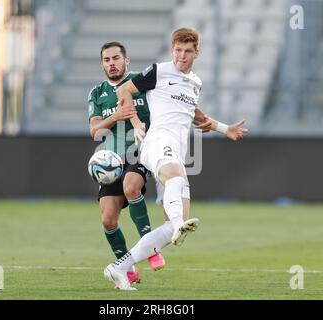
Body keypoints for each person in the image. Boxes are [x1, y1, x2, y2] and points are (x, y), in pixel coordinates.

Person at [103, 28, 248, 290]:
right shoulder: (159, 71)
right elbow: (123, 91)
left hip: (177, 150)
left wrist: (225, 129)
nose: (182, 55)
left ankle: (120, 268)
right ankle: (181, 224)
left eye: (188, 51)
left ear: (196, 53)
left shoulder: (195, 83)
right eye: (178, 50)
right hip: (158, 141)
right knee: (175, 182)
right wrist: (136, 123)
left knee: (172, 228)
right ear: (172, 50)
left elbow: (195, 114)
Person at [88, 42, 212, 285]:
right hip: (111, 160)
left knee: (132, 186)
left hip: (142, 151)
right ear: (102, 63)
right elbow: (94, 130)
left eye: (116, 58)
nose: (112, 63)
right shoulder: (97, 93)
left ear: (127, 60)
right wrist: (116, 116)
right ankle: (127, 266)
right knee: (108, 220)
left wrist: (207, 120)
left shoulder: (141, 81)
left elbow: (181, 101)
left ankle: (151, 246)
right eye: (106, 60)